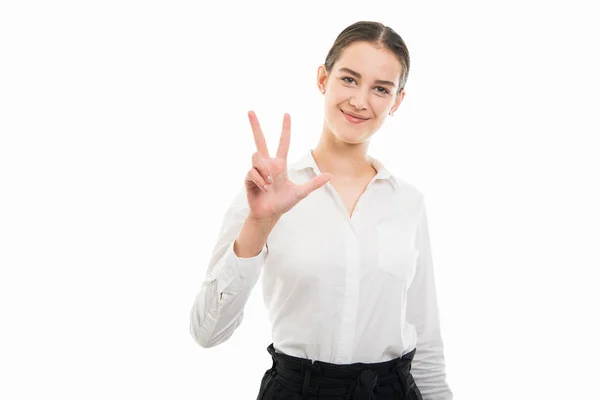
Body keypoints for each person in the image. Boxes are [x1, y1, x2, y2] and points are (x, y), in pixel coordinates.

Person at [189, 20, 453, 400]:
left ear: (397, 101)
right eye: (349, 79)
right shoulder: (267, 194)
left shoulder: (407, 202)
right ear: (322, 79)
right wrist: (259, 223)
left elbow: (425, 337)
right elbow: (206, 333)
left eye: (381, 89)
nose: (361, 100)